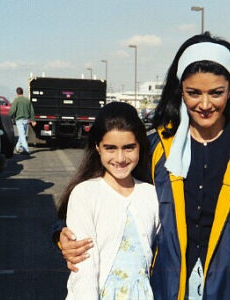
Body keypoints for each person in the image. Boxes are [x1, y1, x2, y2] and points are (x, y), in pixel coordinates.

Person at [55, 32, 230, 299]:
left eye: (216, 92)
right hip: (167, 289)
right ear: (180, 91)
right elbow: (98, 191)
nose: (205, 104)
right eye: (194, 93)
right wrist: (62, 234)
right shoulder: (157, 149)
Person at [58, 101, 160, 299]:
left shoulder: (150, 194)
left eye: (129, 147)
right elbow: (85, 268)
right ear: (97, 147)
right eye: (110, 148)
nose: (120, 158)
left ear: (141, 145)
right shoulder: (85, 194)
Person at [9, 87, 36, 154]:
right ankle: (18, 148)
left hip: (19, 120)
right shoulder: (27, 100)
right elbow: (31, 111)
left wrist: (8, 117)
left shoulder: (16, 100)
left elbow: (12, 110)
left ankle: (26, 149)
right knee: (22, 134)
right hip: (26, 120)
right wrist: (33, 120)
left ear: (17, 93)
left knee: (22, 135)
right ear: (22, 92)